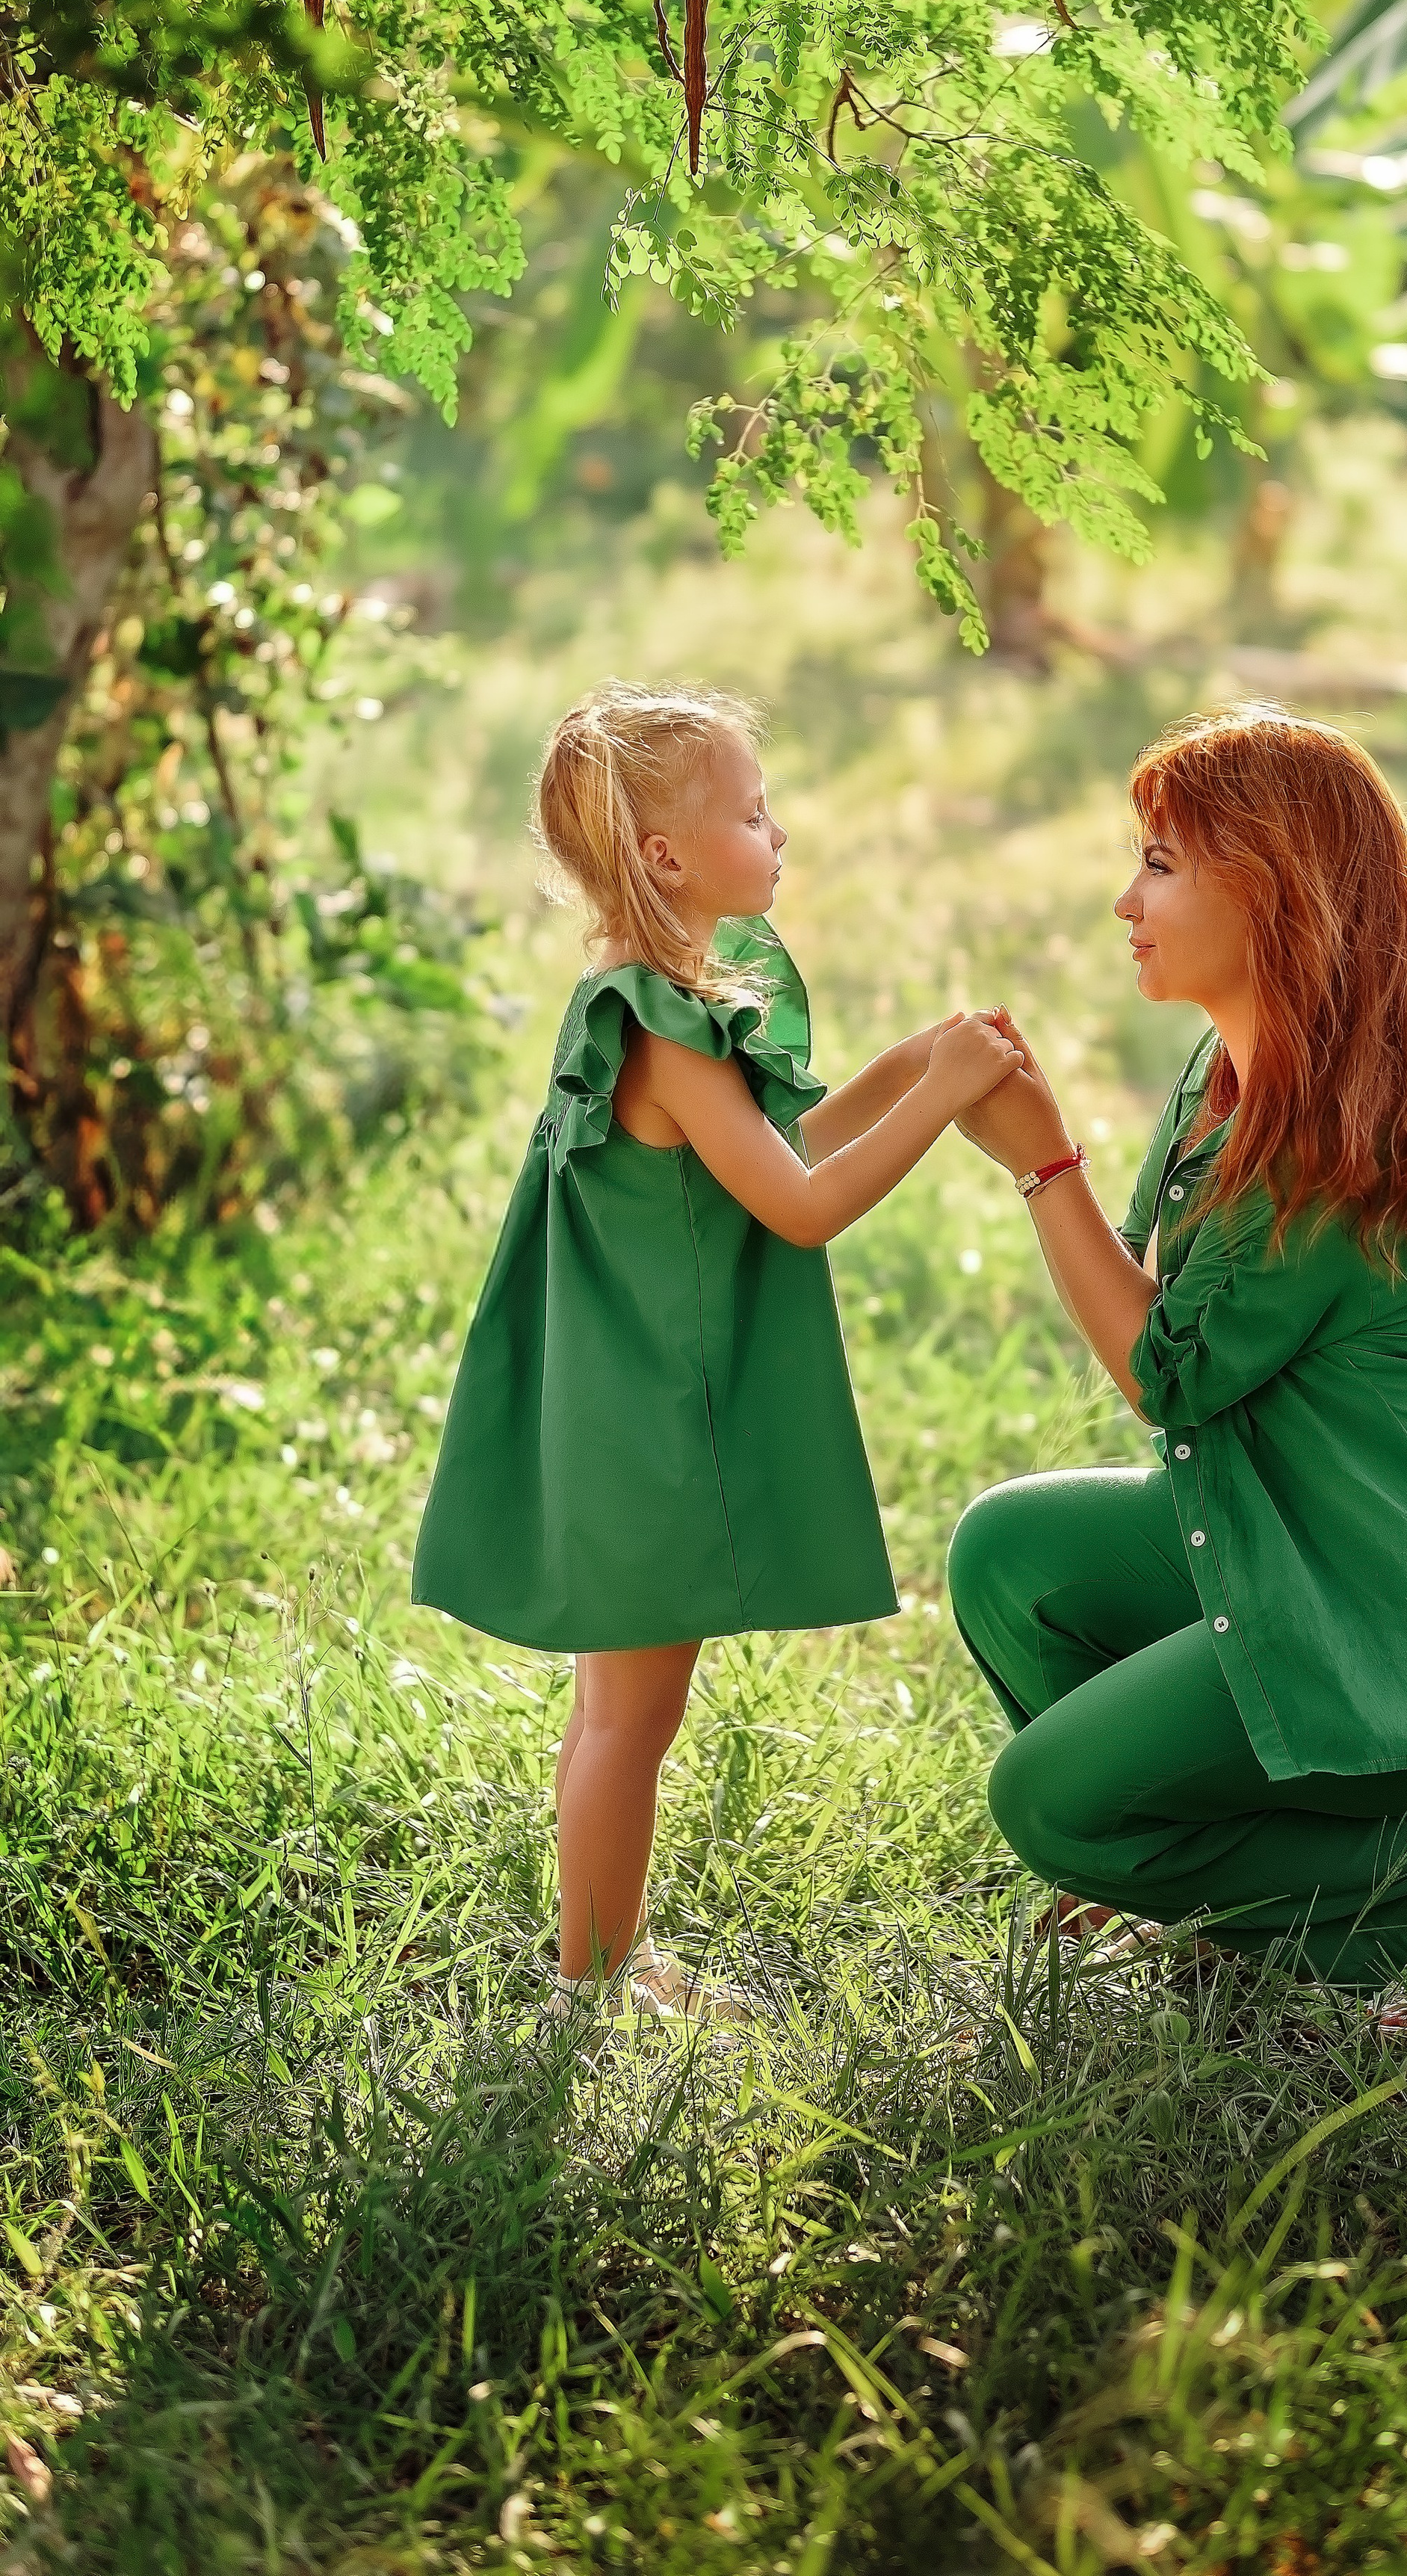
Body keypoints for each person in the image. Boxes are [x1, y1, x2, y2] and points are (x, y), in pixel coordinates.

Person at [950, 705, 1407, 2020]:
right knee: (1010, 1560)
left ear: (1274, 891)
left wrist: (1043, 1165)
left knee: (1046, 1801)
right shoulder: (1230, 1074)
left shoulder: (1337, 1153)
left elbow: (1167, 1375)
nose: (1123, 898)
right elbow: (1170, 1316)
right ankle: (1226, 1895)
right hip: (1311, 1549)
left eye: (1160, 862)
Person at [412, 682, 1019, 2022]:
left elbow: (773, 1155)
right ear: (670, 855)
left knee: (618, 1711)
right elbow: (803, 1208)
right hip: (646, 1417)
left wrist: (920, 1066)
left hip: (625, 1402)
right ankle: (593, 1987)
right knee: (631, 1719)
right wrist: (946, 1100)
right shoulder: (665, 1030)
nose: (779, 830)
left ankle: (605, 1958)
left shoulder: (659, 1003)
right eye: (753, 810)